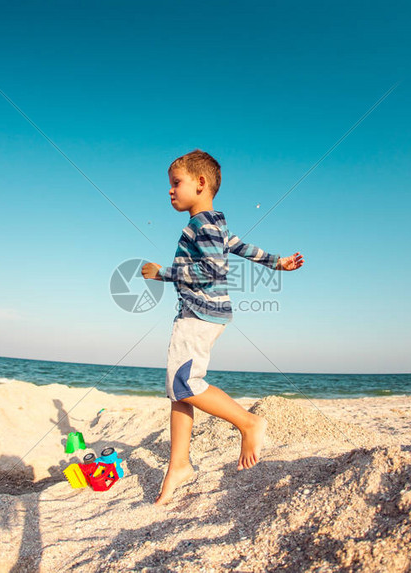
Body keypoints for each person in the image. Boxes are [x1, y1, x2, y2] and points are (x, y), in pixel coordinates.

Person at [141, 150, 304, 505]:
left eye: (176, 183)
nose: (170, 191)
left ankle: (247, 423)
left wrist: (162, 273)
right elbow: (242, 247)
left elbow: (212, 271)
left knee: (185, 383)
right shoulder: (217, 224)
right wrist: (278, 263)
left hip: (199, 314)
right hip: (199, 313)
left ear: (200, 183)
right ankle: (179, 464)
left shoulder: (203, 225)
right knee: (177, 389)